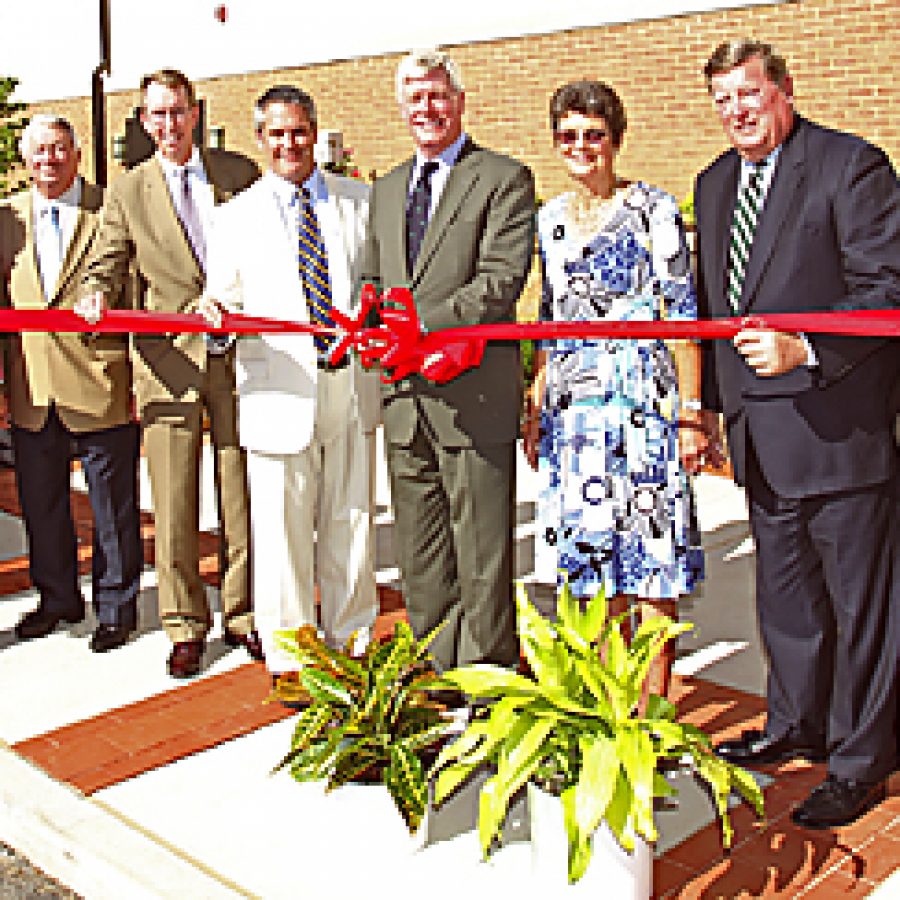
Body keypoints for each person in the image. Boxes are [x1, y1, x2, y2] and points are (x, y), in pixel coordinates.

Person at [696, 39, 899, 828]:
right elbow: (714, 307)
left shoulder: (852, 167)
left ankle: (861, 758)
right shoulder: (714, 184)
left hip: (838, 432)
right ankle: (795, 725)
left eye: (749, 93)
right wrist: (710, 408)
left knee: (861, 611)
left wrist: (806, 348)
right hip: (760, 439)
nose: (737, 111)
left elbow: (886, 293)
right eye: (724, 100)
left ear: (784, 90)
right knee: (786, 603)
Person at [522, 81, 704, 699]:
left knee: (651, 562)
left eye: (594, 135)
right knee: (591, 566)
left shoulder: (654, 211)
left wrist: (692, 415)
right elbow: (549, 315)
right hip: (574, 414)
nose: (582, 147)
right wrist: (537, 397)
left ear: (615, 139)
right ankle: (607, 704)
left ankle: (652, 709)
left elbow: (685, 316)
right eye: (568, 136)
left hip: (641, 406)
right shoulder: (548, 220)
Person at [79, 69, 262, 678]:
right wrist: (94, 295)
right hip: (167, 364)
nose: (169, 125)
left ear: (195, 113)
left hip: (237, 359)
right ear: (143, 121)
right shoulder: (127, 192)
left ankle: (242, 613)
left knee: (240, 495)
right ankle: (185, 624)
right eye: (156, 115)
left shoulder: (237, 174)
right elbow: (106, 262)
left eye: (177, 112)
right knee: (175, 503)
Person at [359, 48, 535, 673]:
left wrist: (422, 323)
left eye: (437, 95)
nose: (426, 108)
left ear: (460, 102)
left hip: (472, 396)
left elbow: (500, 281)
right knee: (420, 546)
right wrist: (365, 318)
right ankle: (439, 667)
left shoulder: (502, 179)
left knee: (483, 545)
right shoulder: (384, 190)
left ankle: (489, 674)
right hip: (405, 396)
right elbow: (372, 278)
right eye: (415, 98)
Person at [200, 85, 378, 675]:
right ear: (259, 139)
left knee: (350, 525)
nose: (289, 143)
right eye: (276, 134)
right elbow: (221, 302)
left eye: (298, 131)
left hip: (348, 388)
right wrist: (216, 320)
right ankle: (293, 658)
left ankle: (353, 640)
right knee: (280, 538)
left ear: (315, 133)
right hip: (277, 394)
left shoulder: (360, 202)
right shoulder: (233, 216)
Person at [0, 115, 141, 652]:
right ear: (25, 157)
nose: (48, 160)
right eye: (38, 151)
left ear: (77, 154)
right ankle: (57, 598)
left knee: (112, 510)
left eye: (58, 149)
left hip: (99, 382)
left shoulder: (110, 208)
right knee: (42, 505)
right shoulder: (6, 217)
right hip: (33, 390)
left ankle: (115, 607)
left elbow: (132, 291)